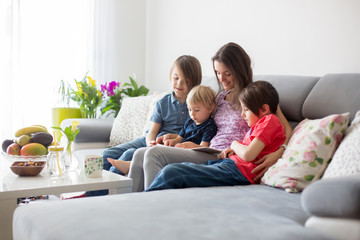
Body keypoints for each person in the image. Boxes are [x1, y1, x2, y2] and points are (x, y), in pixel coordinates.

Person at [128, 42, 292, 192]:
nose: (221, 78)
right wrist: (179, 138)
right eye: (218, 73)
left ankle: (148, 203)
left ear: (239, 70)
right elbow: (201, 122)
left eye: (227, 73)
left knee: (154, 154)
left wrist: (279, 153)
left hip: (224, 155)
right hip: (207, 148)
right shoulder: (220, 97)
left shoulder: (255, 97)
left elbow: (285, 129)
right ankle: (128, 201)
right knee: (140, 154)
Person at [67, 55, 202, 198]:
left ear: (194, 82)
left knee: (128, 154)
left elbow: (194, 132)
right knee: (106, 155)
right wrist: (150, 143)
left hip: (169, 145)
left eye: (185, 81)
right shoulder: (163, 102)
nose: (179, 83)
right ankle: (88, 191)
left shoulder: (196, 105)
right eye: (176, 78)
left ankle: (98, 194)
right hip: (150, 140)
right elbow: (152, 131)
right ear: (170, 77)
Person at [146, 80, 286, 191]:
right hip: (230, 164)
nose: (242, 115)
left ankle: (145, 202)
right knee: (176, 170)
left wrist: (234, 144)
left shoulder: (269, 120)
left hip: (238, 170)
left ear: (265, 109)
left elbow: (248, 155)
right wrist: (235, 150)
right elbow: (252, 150)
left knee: (172, 172)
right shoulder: (259, 124)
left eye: (246, 110)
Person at [108, 85, 218, 174]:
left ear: (210, 108)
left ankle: (130, 165)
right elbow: (180, 138)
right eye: (189, 109)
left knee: (153, 154)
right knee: (140, 152)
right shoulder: (189, 122)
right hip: (179, 148)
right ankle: (130, 165)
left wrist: (190, 146)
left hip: (191, 153)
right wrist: (172, 141)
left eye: (197, 110)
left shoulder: (209, 126)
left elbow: (204, 147)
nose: (192, 114)